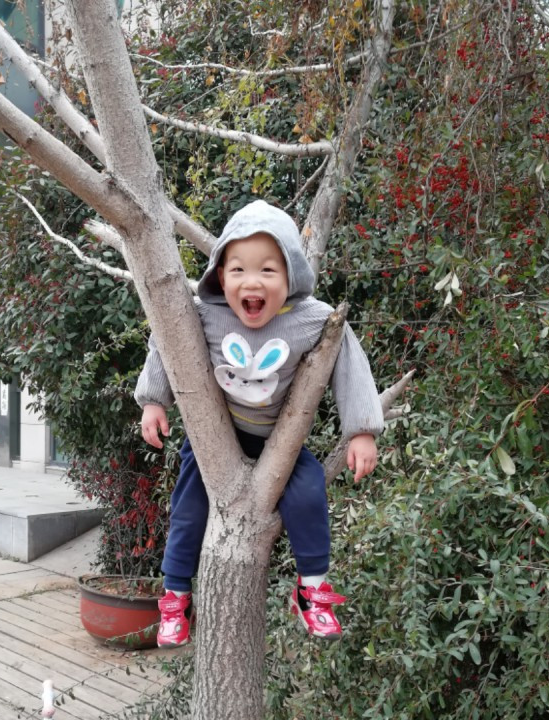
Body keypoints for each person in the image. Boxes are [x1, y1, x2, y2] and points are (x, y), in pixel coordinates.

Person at [135, 200, 384, 647]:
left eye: (268, 270)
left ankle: (311, 590)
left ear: (291, 275)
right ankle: (175, 596)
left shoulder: (311, 318)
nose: (252, 282)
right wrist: (153, 401)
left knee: (309, 494)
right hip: (216, 438)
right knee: (188, 508)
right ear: (219, 275)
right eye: (238, 270)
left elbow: (348, 357)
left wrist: (361, 430)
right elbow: (166, 339)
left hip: (278, 444)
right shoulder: (207, 313)